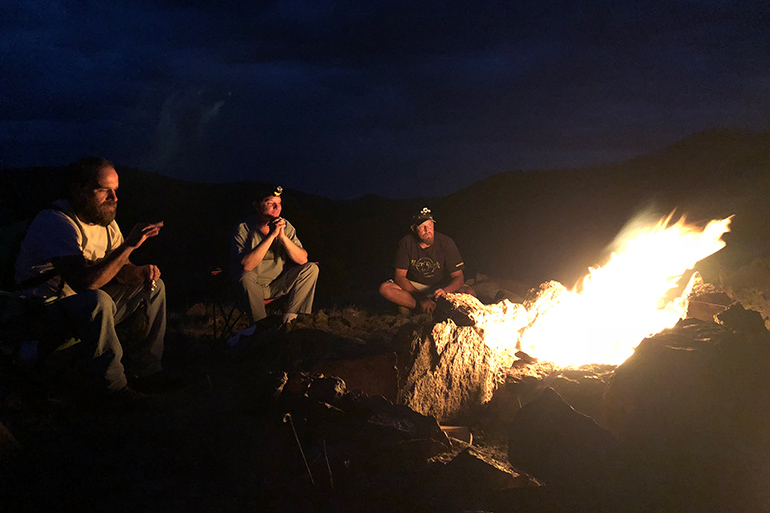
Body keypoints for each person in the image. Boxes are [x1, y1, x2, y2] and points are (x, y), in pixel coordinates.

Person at [14, 156, 168, 402]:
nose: (114, 199)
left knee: (154, 287)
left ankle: (147, 372)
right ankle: (113, 389)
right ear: (80, 189)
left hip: (80, 309)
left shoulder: (107, 225)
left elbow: (122, 270)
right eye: (104, 190)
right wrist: (128, 245)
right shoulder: (56, 221)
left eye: (115, 191)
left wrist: (140, 273)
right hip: (41, 312)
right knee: (98, 299)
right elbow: (85, 282)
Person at [231, 185, 319, 326]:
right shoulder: (244, 228)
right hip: (253, 287)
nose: (277, 208)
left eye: (279, 204)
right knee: (245, 276)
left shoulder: (286, 226)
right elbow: (246, 265)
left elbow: (303, 259)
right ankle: (260, 327)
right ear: (257, 206)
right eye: (271, 203)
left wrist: (283, 237)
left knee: (311, 269)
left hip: (277, 284)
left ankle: (290, 321)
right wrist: (271, 235)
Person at [379, 207, 475, 315]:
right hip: (416, 287)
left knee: (469, 293)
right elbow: (400, 277)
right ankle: (424, 307)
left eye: (430, 225)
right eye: (422, 226)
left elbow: (458, 277)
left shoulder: (446, 243)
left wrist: (445, 291)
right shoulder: (406, 243)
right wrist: (422, 298)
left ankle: (420, 307)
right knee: (385, 288)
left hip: (441, 286)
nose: (427, 230)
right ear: (414, 229)